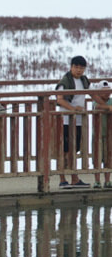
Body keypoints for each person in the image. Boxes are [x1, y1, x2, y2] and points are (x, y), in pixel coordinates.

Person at [55, 56, 91, 188]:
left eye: (81, 68)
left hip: (78, 121)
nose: (79, 70)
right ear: (71, 67)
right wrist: (73, 109)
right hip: (65, 120)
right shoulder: (65, 81)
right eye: (76, 67)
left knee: (74, 150)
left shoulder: (84, 80)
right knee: (64, 150)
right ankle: (62, 179)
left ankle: (74, 178)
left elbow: (93, 94)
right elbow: (60, 99)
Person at [93, 80, 112, 189]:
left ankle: (108, 180)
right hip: (98, 134)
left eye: (108, 91)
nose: (107, 93)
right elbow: (97, 107)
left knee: (108, 159)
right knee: (97, 158)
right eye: (103, 91)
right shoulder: (97, 102)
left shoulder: (111, 101)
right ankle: (97, 181)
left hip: (110, 135)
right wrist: (109, 108)